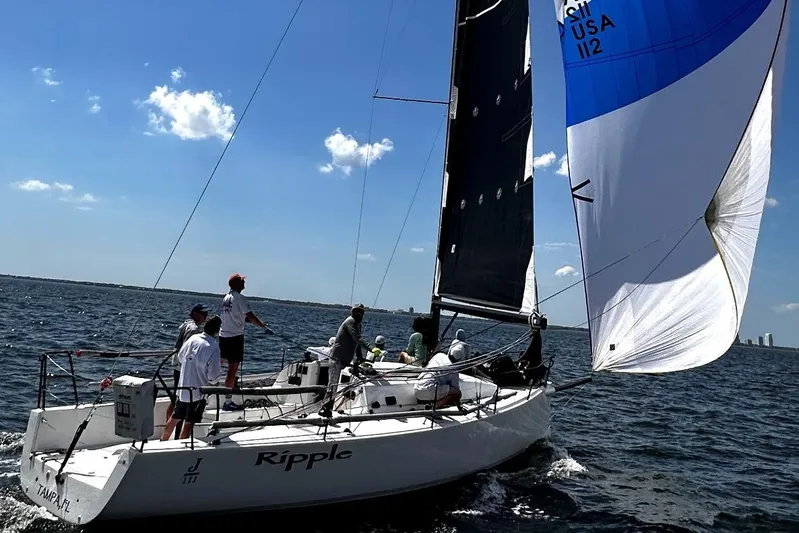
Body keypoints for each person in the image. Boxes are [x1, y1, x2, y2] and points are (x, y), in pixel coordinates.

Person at [161, 315, 224, 441]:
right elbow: (214, 377)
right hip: (197, 393)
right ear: (217, 331)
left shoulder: (192, 339)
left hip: (183, 388)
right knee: (189, 422)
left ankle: (163, 440)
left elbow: (180, 357)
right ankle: (182, 446)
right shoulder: (213, 347)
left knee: (175, 417)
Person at [219, 273, 268, 411]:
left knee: (217, 365)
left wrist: (254, 322)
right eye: (242, 282)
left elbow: (236, 316)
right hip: (235, 337)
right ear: (237, 284)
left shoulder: (226, 298)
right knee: (232, 369)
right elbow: (250, 315)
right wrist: (263, 327)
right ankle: (227, 402)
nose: (244, 284)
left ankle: (206, 392)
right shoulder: (241, 298)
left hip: (223, 336)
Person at [165, 303, 211, 436]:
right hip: (183, 368)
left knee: (175, 398)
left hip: (177, 366)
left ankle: (168, 430)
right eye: (203, 314)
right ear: (195, 314)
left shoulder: (186, 324)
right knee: (182, 402)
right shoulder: (193, 329)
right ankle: (178, 433)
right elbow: (188, 351)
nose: (205, 316)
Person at [320, 303, 370, 417]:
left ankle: (331, 408)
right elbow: (357, 338)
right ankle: (325, 408)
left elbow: (356, 343)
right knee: (332, 385)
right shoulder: (350, 322)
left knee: (338, 384)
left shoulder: (358, 325)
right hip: (336, 359)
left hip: (345, 360)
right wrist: (371, 349)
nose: (358, 314)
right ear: (352, 312)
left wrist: (360, 356)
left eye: (361, 312)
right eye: (356, 311)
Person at [414, 335, 465, 409]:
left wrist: (440, 343)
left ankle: (428, 401)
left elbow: (432, 356)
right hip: (429, 391)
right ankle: (435, 407)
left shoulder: (439, 355)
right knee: (457, 393)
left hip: (417, 388)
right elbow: (456, 390)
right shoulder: (454, 370)